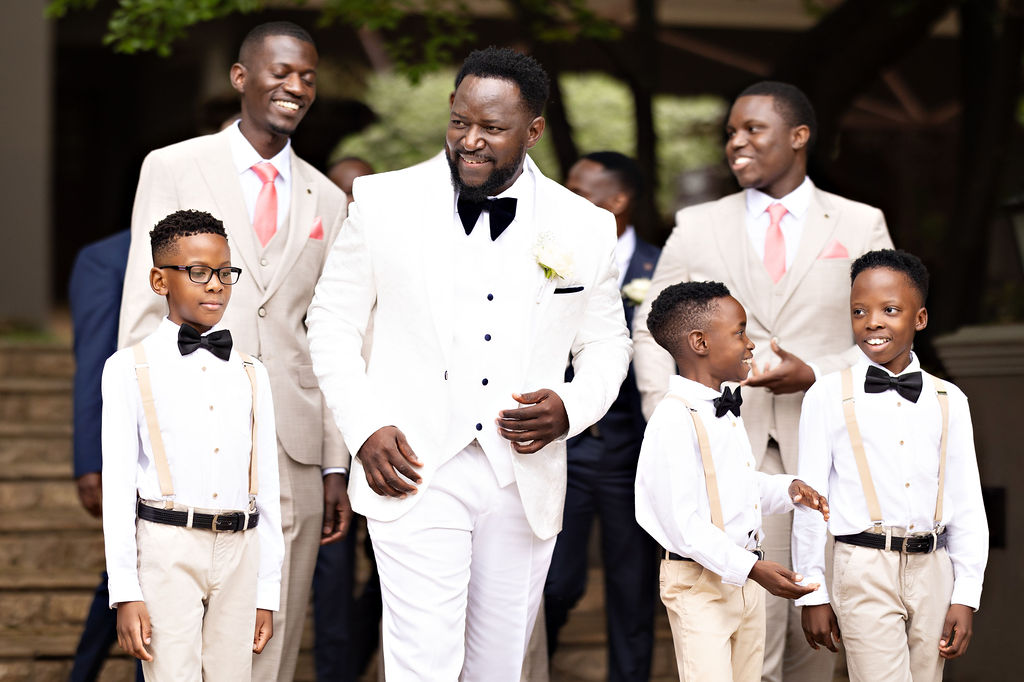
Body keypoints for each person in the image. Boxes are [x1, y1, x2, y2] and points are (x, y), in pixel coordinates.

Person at [306, 47, 631, 680]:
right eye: (460, 122)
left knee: (498, 666)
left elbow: (606, 344)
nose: (470, 141)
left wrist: (571, 408)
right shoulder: (383, 200)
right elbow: (331, 323)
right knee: (422, 662)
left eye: (492, 128)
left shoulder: (585, 224)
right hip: (413, 466)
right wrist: (364, 426)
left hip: (522, 473)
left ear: (533, 131)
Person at [631, 80, 893, 682]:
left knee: (822, 620)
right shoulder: (697, 224)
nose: (736, 142)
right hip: (731, 446)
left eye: (752, 129)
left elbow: (888, 333)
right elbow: (649, 327)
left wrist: (816, 373)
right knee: (749, 622)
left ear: (799, 136)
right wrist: (671, 410)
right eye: (730, 132)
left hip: (829, 443)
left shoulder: (860, 222)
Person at [116, 21, 351, 681]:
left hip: (293, 449)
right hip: (188, 434)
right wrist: (140, 437)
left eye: (307, 77)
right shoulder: (173, 166)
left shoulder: (329, 199)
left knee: (269, 647)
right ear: (241, 77)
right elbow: (143, 305)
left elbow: (333, 335)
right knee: (177, 646)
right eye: (281, 72)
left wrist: (335, 462)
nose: (296, 86)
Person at [102, 209, 284, 680]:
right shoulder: (128, 368)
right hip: (167, 546)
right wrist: (125, 591)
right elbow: (117, 489)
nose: (216, 285)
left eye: (224, 272)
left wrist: (267, 592)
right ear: (159, 281)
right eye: (198, 272)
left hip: (241, 549)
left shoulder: (252, 372)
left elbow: (267, 487)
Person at [792, 249, 988, 681]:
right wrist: (812, 593)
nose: (872, 322)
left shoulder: (949, 400)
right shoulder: (826, 395)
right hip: (863, 565)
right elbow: (810, 502)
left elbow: (967, 502)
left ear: (920, 318)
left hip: (935, 567)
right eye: (859, 311)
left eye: (890, 310)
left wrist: (966, 594)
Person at [634, 281, 829, 681]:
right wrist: (752, 569)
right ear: (700, 342)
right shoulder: (672, 419)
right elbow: (682, 524)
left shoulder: (723, 409)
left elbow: (734, 488)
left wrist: (788, 489)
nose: (751, 344)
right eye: (740, 332)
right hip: (699, 586)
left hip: (744, 582)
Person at [543, 151, 660, 681]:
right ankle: (533, 666)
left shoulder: (660, 266)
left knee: (632, 588)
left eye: (579, 192)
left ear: (617, 201)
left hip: (632, 451)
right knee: (555, 581)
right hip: (564, 445)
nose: (565, 200)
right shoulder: (550, 257)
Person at [313, 154, 380, 681]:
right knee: (331, 575)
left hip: (389, 444)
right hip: (325, 444)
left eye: (361, 194)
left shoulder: (394, 253)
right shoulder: (310, 260)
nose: (352, 204)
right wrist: (333, 462)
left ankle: (355, 663)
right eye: (343, 194)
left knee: (387, 575)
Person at [68, 230, 144, 682]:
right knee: (131, 570)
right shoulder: (106, 259)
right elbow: (94, 363)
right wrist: (88, 461)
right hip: (133, 446)